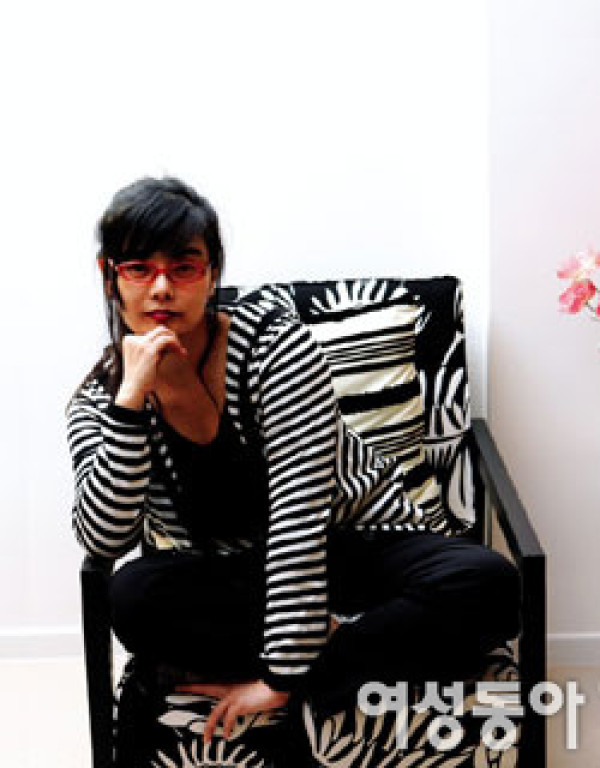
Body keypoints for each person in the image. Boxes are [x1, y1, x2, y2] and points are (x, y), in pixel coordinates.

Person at [67, 176, 520, 758]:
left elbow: (299, 516)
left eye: (183, 267)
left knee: (490, 582)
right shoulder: (100, 398)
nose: (161, 288)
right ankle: (367, 642)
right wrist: (130, 404)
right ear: (110, 276)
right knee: (132, 596)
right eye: (138, 269)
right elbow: (104, 537)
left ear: (211, 274)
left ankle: (320, 661)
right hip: (239, 575)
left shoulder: (272, 345)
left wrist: (281, 677)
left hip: (351, 542)